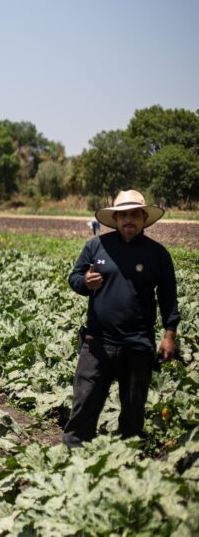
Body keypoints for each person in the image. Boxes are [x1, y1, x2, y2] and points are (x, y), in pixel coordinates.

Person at [63, 190, 180, 447]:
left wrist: (169, 335)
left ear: (143, 217)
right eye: (123, 215)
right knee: (84, 402)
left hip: (138, 342)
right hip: (97, 341)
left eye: (134, 215)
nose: (129, 220)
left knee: (133, 409)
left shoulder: (158, 254)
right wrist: (85, 282)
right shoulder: (96, 246)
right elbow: (75, 278)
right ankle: (72, 455)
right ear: (115, 219)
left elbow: (169, 298)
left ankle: (128, 459)